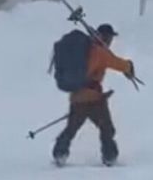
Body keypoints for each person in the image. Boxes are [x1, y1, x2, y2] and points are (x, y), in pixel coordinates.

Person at [53, 23, 135, 167]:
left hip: (77, 97)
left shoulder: (87, 49)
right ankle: (110, 157)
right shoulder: (100, 52)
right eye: (110, 38)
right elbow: (118, 63)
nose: (111, 41)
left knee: (71, 128)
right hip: (94, 100)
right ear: (106, 37)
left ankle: (60, 153)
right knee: (107, 128)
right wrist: (129, 66)